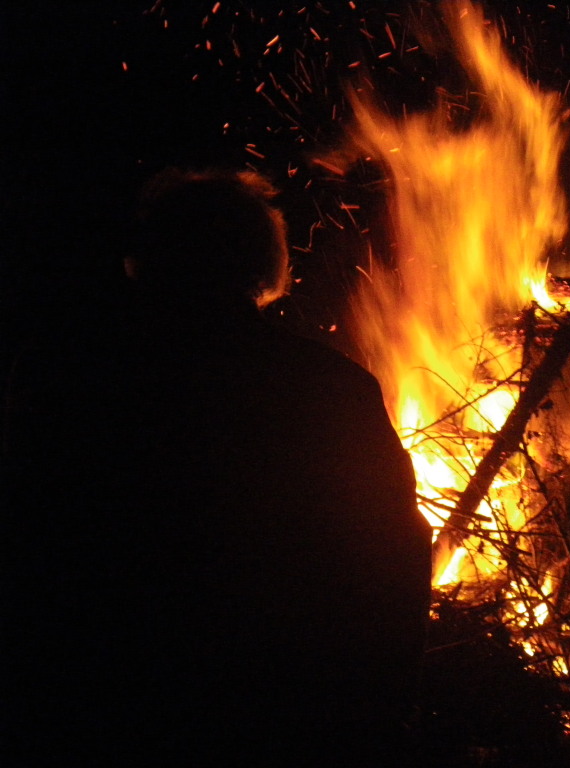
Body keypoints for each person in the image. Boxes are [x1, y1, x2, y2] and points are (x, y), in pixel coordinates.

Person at [2, 169, 432, 765]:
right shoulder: (326, 387)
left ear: (144, 257)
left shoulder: (69, 378)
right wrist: (384, 703)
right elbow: (395, 550)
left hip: (103, 703)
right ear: (266, 261)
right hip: (282, 711)